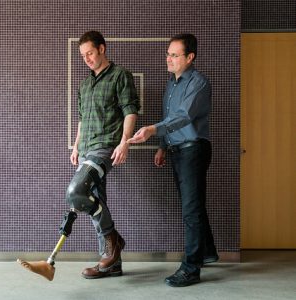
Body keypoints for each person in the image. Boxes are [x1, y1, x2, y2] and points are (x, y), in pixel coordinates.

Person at [127, 33, 218, 287]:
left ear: (190, 57)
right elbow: (168, 116)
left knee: (190, 209)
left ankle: (191, 268)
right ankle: (206, 252)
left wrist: (153, 130)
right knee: (193, 206)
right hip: (177, 150)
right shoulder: (172, 83)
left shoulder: (198, 83)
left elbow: (183, 117)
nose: (168, 59)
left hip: (194, 150)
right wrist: (162, 147)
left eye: (174, 55)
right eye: (168, 54)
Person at [69, 30, 140, 279]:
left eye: (90, 52)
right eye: (83, 55)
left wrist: (125, 143)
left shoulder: (120, 76)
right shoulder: (85, 85)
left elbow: (130, 111)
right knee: (96, 202)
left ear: (102, 49)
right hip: (87, 148)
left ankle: (113, 242)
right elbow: (81, 119)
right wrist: (76, 146)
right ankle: (110, 262)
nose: (86, 58)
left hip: (105, 147)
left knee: (76, 192)